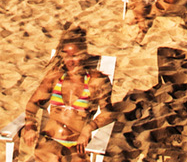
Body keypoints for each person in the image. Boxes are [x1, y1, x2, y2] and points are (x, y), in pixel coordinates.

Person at [18, 28, 115, 161]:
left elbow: (109, 113)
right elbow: (33, 103)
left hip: (76, 148)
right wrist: (30, 125)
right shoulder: (55, 76)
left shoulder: (96, 80)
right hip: (48, 145)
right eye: (66, 55)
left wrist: (89, 129)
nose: (70, 61)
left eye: (74, 56)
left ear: (83, 55)